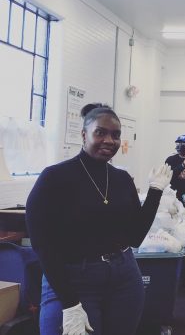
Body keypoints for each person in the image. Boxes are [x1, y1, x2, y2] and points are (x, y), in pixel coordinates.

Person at [25, 103, 172, 335]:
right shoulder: (54, 178)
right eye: (100, 132)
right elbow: (43, 246)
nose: (109, 140)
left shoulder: (122, 179)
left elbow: (135, 237)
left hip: (124, 278)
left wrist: (155, 191)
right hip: (72, 280)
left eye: (116, 135)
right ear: (84, 135)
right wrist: (70, 303)